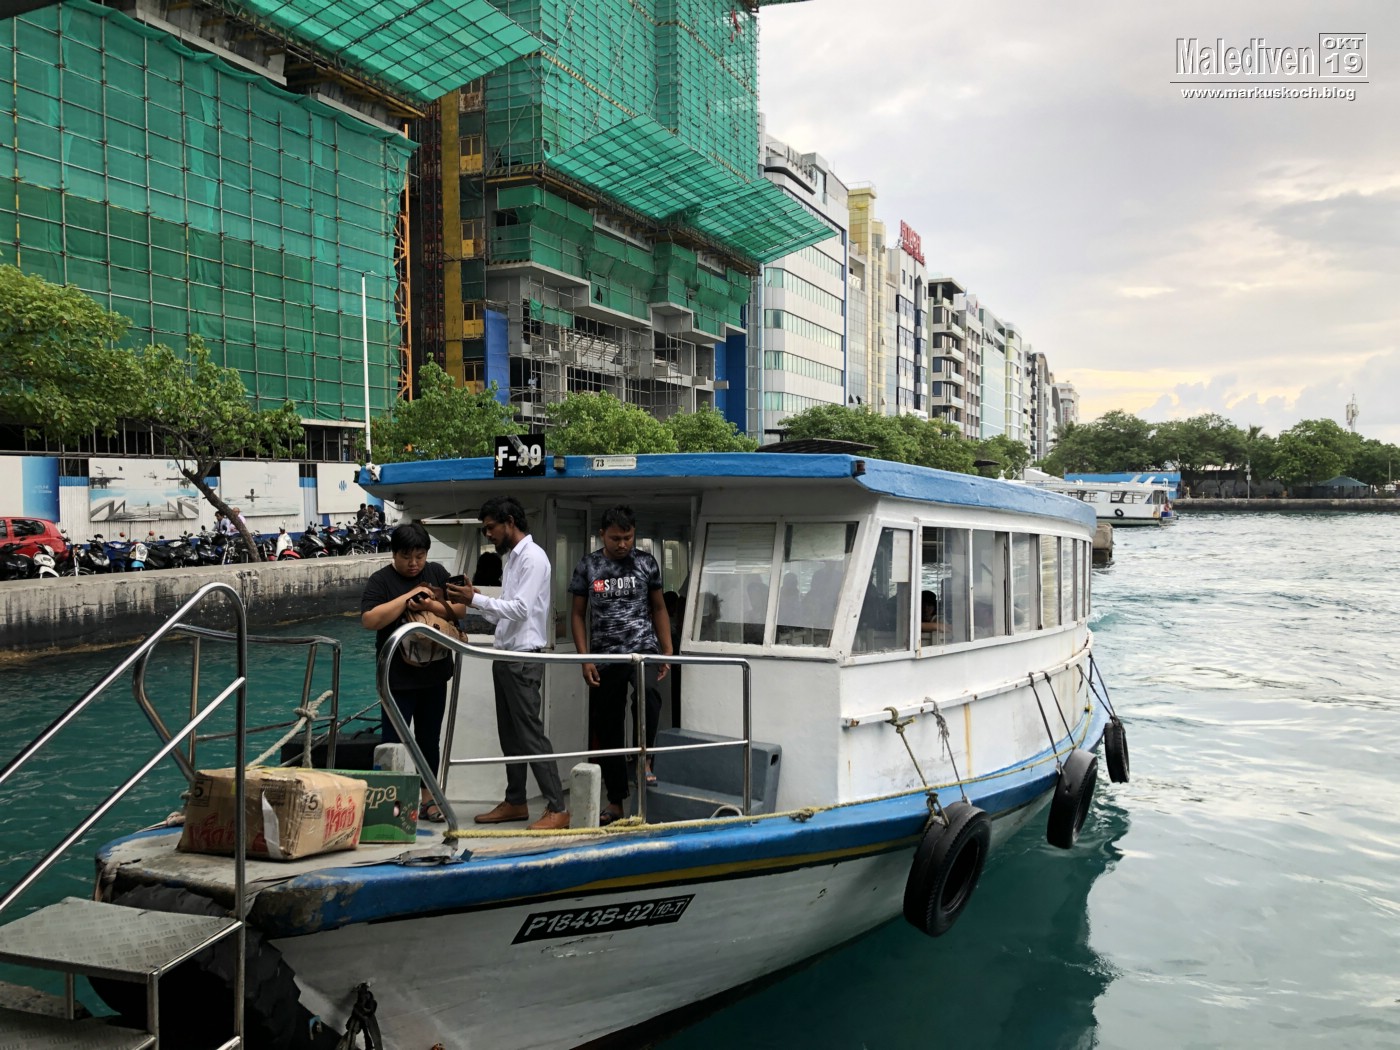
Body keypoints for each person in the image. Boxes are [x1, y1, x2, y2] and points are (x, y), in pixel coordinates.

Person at [446, 497, 569, 830]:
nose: (488, 534)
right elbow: (505, 610)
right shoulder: (513, 559)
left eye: (490, 528)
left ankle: (557, 808)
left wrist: (475, 599)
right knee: (511, 736)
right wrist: (474, 600)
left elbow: (520, 609)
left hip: (522, 658)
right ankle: (516, 801)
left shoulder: (532, 558)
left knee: (529, 734)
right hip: (506, 656)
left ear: (510, 522)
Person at [569, 506, 672, 825]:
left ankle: (644, 759)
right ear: (602, 535)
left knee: (649, 697)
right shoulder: (588, 565)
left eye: (628, 537)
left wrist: (667, 649)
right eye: (615, 538)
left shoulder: (646, 562)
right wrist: (585, 658)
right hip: (605, 655)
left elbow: (659, 608)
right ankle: (615, 800)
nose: (623, 544)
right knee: (608, 724)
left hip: (642, 648)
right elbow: (577, 615)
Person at [360, 522, 464, 823]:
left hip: (434, 676)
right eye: (406, 557)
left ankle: (429, 799)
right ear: (394, 554)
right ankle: (393, 807)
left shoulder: (437, 573)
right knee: (393, 743)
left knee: (429, 741)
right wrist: (409, 597)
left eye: (420, 556)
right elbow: (370, 620)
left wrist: (432, 603)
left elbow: (460, 610)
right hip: (396, 681)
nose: (414, 563)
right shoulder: (381, 581)